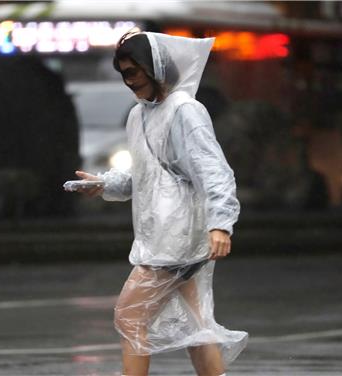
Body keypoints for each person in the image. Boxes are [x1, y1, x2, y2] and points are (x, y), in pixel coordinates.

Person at [70, 28, 247, 376]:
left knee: (130, 315)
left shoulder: (185, 112)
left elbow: (214, 171)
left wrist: (220, 224)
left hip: (176, 240)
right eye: (123, 74)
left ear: (154, 67)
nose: (129, 82)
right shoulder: (140, 115)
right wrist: (105, 185)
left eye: (133, 72)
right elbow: (147, 177)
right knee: (198, 327)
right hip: (161, 236)